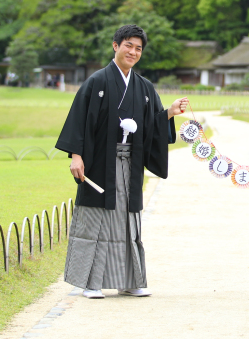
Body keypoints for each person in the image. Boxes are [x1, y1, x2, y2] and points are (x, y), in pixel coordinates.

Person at [56, 24, 188, 299]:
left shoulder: (144, 87)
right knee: (96, 221)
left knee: (129, 221)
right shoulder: (97, 82)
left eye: (138, 48)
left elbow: (150, 125)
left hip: (130, 163)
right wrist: (76, 156)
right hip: (98, 163)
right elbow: (80, 121)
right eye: (128, 45)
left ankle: (129, 280)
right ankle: (91, 283)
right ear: (115, 46)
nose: (133, 51)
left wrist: (169, 113)